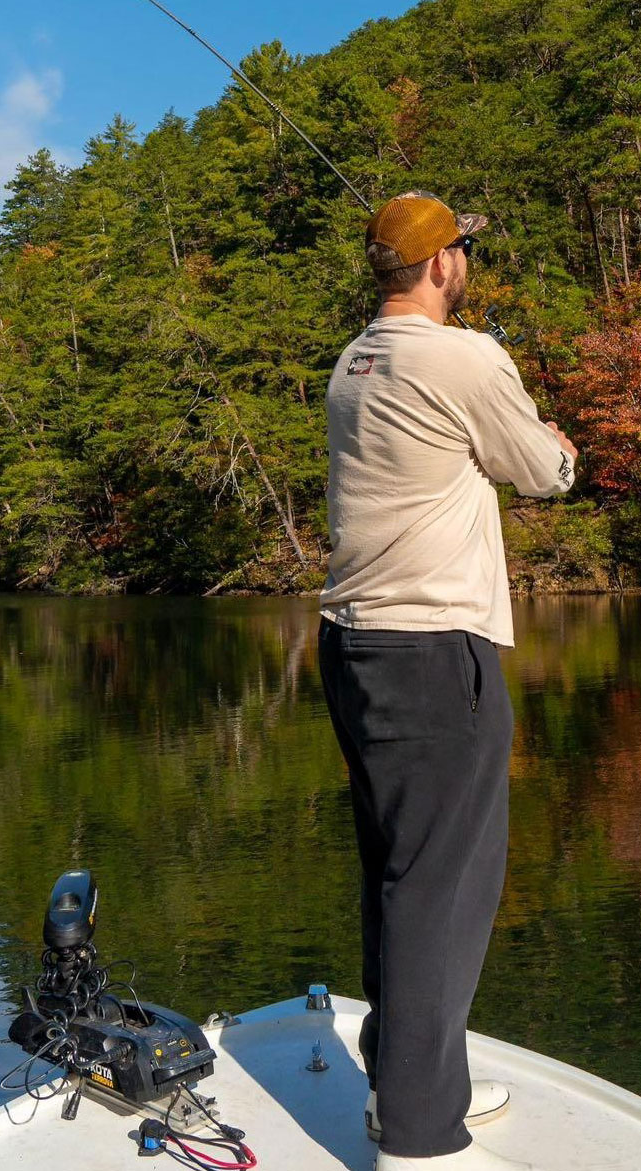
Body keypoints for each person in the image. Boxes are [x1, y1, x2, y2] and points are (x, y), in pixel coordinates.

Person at [317, 191, 577, 1171]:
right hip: (433, 655)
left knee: (399, 873)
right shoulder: (463, 358)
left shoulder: (353, 363)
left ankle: (411, 1083)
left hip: (354, 647)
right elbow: (544, 471)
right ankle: (421, 1139)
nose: (465, 261)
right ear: (437, 267)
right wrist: (553, 437)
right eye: (461, 250)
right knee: (445, 886)